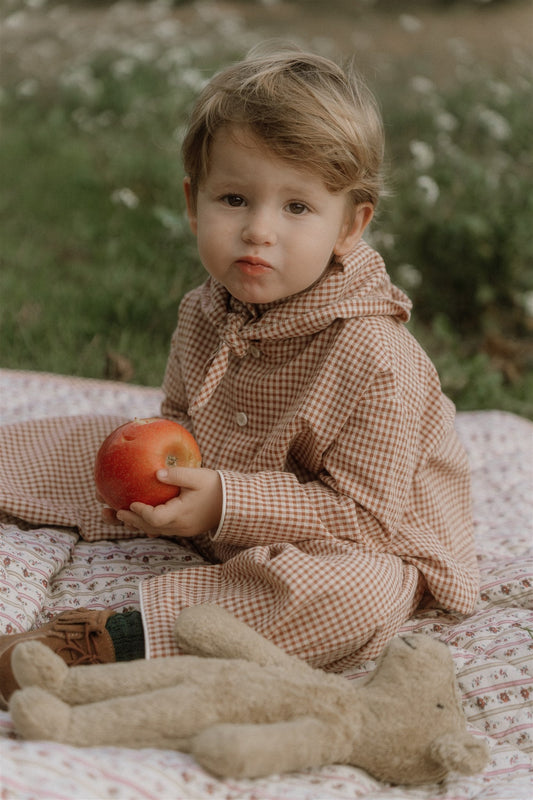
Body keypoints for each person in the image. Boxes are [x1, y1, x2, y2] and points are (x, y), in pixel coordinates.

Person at [0, 46, 480, 707]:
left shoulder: (375, 359)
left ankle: (113, 641)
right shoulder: (204, 309)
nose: (258, 231)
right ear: (193, 205)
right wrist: (164, 486)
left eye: (296, 208)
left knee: (359, 596)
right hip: (219, 489)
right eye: (234, 198)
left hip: (363, 536)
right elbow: (175, 424)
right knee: (86, 441)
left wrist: (227, 503)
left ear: (351, 224)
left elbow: (364, 519)